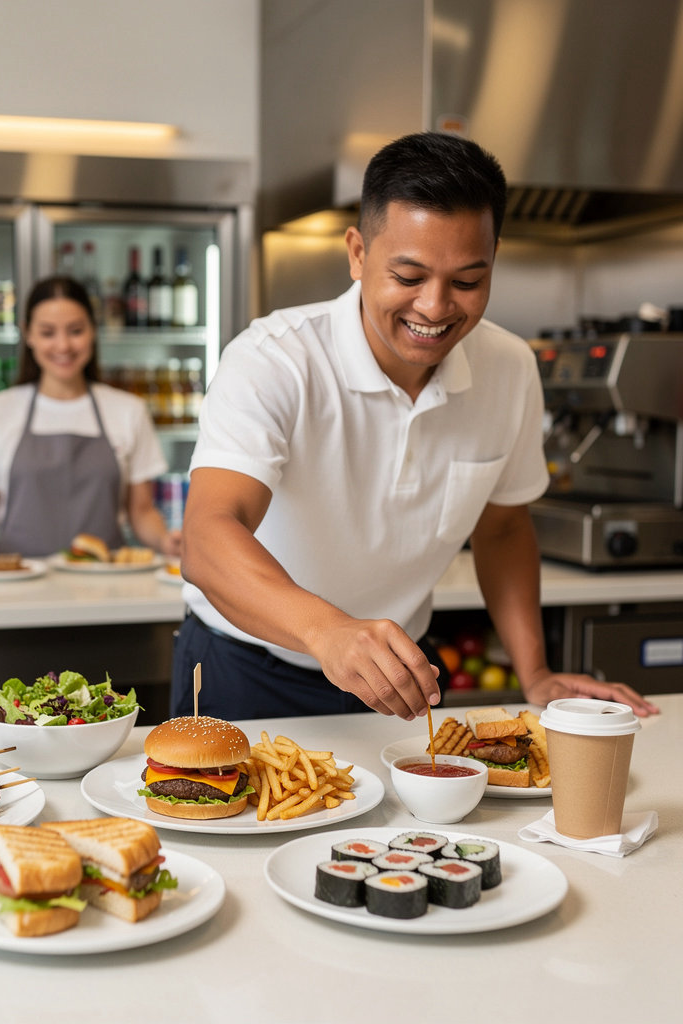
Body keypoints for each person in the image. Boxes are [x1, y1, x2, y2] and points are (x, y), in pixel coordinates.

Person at [173, 131, 659, 722]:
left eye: (467, 281)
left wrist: (535, 675)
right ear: (357, 253)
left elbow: (503, 528)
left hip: (398, 676)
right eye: (408, 277)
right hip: (243, 667)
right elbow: (207, 535)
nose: (434, 307)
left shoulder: (509, 367)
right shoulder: (274, 359)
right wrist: (330, 633)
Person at [0, 275, 181, 565]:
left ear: (93, 331)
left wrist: (165, 541)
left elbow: (141, 510)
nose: (63, 345)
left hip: (106, 587)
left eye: (75, 331)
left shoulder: (129, 410)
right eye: (48, 332)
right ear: (28, 334)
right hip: (18, 582)